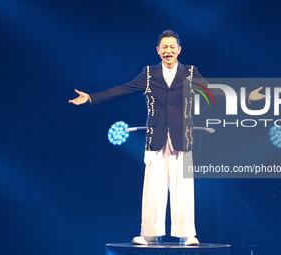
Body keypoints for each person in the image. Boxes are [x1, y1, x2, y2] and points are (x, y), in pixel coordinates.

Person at [69, 30, 265, 245]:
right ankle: (149, 234)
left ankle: (187, 234)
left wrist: (246, 97)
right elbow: (123, 90)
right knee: (154, 187)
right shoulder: (148, 74)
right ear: (158, 50)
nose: (168, 51)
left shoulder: (190, 73)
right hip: (156, 137)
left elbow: (213, 92)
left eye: (172, 47)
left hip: (182, 137)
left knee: (183, 186)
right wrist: (91, 98)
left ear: (179, 50)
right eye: (164, 47)